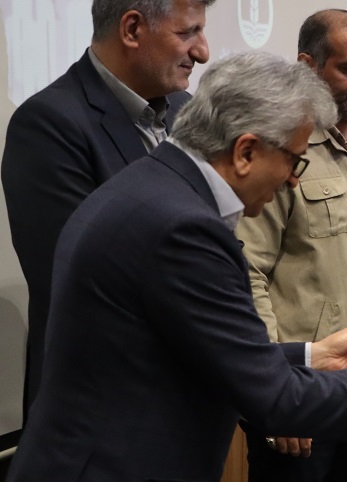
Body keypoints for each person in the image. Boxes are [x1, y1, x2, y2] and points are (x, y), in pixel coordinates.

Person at [6, 52, 347, 482]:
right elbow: (275, 399)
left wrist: (310, 355)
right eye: (294, 160)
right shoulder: (186, 228)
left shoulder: (153, 185)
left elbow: (196, 349)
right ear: (245, 152)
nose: (294, 179)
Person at [1, 0, 214, 419]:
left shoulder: (186, 111)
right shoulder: (49, 123)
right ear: (132, 30)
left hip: (185, 403)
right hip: (100, 412)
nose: (203, 51)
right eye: (187, 32)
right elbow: (80, 285)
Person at [234, 9, 347, 482]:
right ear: (308, 66)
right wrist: (275, 393)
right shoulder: (280, 149)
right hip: (306, 398)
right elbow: (246, 273)